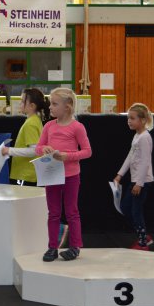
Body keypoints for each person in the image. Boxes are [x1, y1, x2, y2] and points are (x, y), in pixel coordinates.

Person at [1, 88, 69, 248]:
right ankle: (53, 232)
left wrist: (9, 151)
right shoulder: (34, 121)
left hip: (25, 175)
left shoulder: (31, 123)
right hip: (27, 174)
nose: (20, 103)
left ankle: (58, 230)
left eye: (22, 101)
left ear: (31, 105)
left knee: (27, 210)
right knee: (32, 209)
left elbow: (34, 150)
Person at [35, 88, 92, 262]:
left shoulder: (77, 127)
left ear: (67, 107)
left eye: (54, 104)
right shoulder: (48, 126)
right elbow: (38, 148)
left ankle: (75, 246)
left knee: (71, 211)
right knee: (53, 212)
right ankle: (52, 247)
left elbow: (87, 151)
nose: (50, 107)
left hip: (71, 176)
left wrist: (67, 156)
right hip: (52, 175)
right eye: (50, 103)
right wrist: (44, 149)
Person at [114, 103, 154, 251]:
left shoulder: (145, 137)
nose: (129, 121)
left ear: (142, 120)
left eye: (132, 118)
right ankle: (144, 236)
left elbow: (145, 162)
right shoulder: (137, 136)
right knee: (125, 208)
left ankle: (143, 242)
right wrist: (119, 175)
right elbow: (130, 157)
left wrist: (139, 183)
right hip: (136, 180)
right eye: (128, 118)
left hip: (142, 181)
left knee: (136, 211)